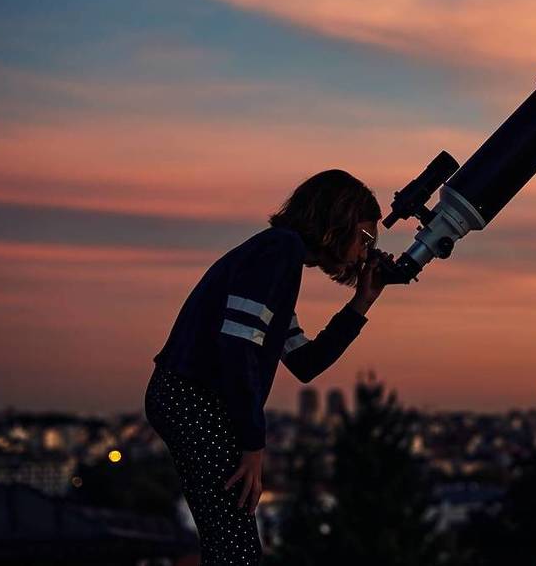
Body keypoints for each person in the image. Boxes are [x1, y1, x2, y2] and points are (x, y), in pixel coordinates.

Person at [144, 169, 391, 565]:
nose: (365, 251)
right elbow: (238, 345)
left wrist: (361, 304)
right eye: (364, 237)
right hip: (192, 398)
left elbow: (305, 362)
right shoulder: (280, 251)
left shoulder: (276, 259)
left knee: (230, 540)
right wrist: (252, 444)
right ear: (337, 220)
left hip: (187, 398)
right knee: (234, 546)